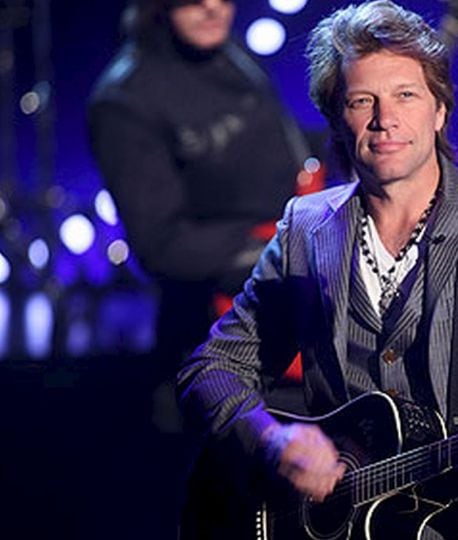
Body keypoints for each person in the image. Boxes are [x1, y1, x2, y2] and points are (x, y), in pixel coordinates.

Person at [177, 1, 458, 538]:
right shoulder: (307, 226)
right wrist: (271, 440)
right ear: (337, 118)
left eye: (405, 95)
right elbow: (212, 368)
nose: (385, 119)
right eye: (362, 101)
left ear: (439, 110)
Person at [87, 0, 320, 421]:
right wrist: (276, 249)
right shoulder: (124, 100)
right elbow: (161, 246)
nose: (213, 7)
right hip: (212, 338)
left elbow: (281, 153)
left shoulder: (234, 55)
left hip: (286, 308)